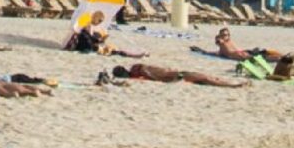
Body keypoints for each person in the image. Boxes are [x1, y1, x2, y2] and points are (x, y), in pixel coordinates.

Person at [106, 61, 247, 88]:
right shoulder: (137, 70)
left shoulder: (138, 71)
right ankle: (230, 85)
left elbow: (153, 75)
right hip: (178, 74)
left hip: (178, 75)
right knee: (205, 78)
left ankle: (231, 85)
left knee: (206, 78)